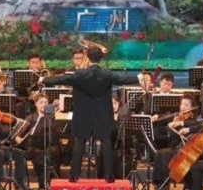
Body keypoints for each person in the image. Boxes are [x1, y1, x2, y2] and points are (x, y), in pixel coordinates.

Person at [42, 45, 139, 182]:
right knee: (106, 143)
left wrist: (44, 80)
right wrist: (139, 78)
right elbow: (122, 79)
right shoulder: (107, 74)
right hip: (103, 115)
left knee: (79, 142)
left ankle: (74, 176)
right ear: (101, 58)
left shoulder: (80, 74)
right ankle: (109, 176)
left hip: (83, 115)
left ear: (88, 57)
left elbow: (62, 79)